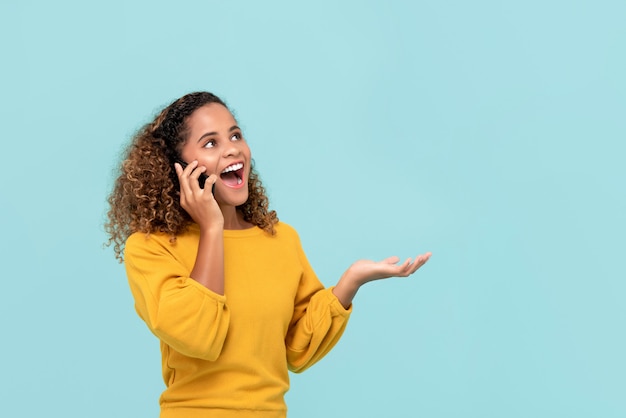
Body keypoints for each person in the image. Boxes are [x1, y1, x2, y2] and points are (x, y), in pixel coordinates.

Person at [105, 91, 431, 418]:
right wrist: (212, 228)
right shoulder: (151, 246)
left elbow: (297, 351)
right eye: (210, 143)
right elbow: (197, 336)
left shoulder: (280, 239)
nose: (232, 148)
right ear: (179, 169)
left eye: (235, 135)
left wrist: (351, 281)